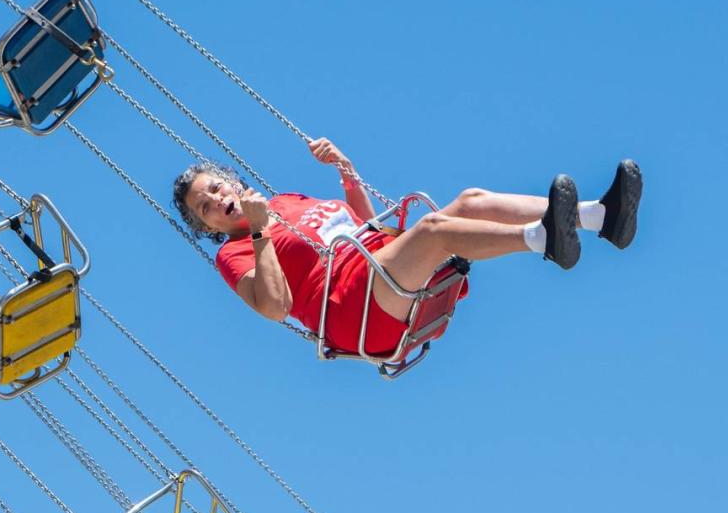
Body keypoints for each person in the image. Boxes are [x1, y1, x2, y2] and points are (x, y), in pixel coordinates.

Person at [172, 138, 643, 355]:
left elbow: (355, 222)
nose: (216, 200)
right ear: (208, 226)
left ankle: (602, 217)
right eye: (205, 208)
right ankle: (544, 240)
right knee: (436, 229)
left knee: (470, 200)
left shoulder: (286, 200)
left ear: (231, 181)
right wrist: (258, 233)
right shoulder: (232, 254)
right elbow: (275, 308)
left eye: (215, 188)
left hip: (378, 261)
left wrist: (346, 171)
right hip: (353, 308)